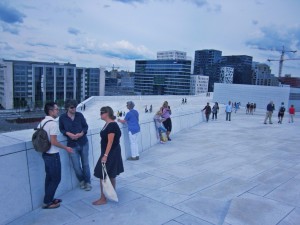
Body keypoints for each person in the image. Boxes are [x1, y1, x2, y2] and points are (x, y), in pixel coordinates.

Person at [41, 102, 73, 209]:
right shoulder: (53, 124)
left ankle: (49, 199)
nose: (58, 111)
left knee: (49, 178)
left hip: (45, 154)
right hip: (53, 155)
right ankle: (47, 202)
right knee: (56, 179)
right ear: (51, 111)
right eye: (56, 109)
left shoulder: (42, 122)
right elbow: (54, 142)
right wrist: (66, 148)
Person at [93, 106, 124, 205]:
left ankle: (103, 198)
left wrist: (105, 155)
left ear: (107, 113)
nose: (100, 114)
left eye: (102, 112)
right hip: (110, 152)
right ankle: (111, 194)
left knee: (102, 173)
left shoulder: (112, 125)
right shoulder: (107, 124)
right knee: (110, 173)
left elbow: (110, 141)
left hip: (110, 152)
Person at [59, 100, 92, 191]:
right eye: (72, 107)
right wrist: (68, 133)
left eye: (75, 107)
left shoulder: (79, 115)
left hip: (83, 143)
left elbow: (85, 127)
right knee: (76, 166)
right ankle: (81, 181)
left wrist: (81, 134)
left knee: (85, 164)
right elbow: (61, 129)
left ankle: (88, 182)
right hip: (72, 145)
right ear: (67, 108)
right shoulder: (62, 118)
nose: (74, 109)